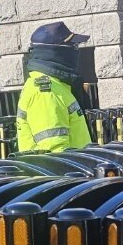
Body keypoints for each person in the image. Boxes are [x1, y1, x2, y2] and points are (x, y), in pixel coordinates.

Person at [16, 22, 93, 153]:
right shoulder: (46, 93)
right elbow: (55, 154)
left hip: (77, 170)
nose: (76, 50)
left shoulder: (57, 86)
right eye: (73, 46)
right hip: (69, 172)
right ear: (57, 51)